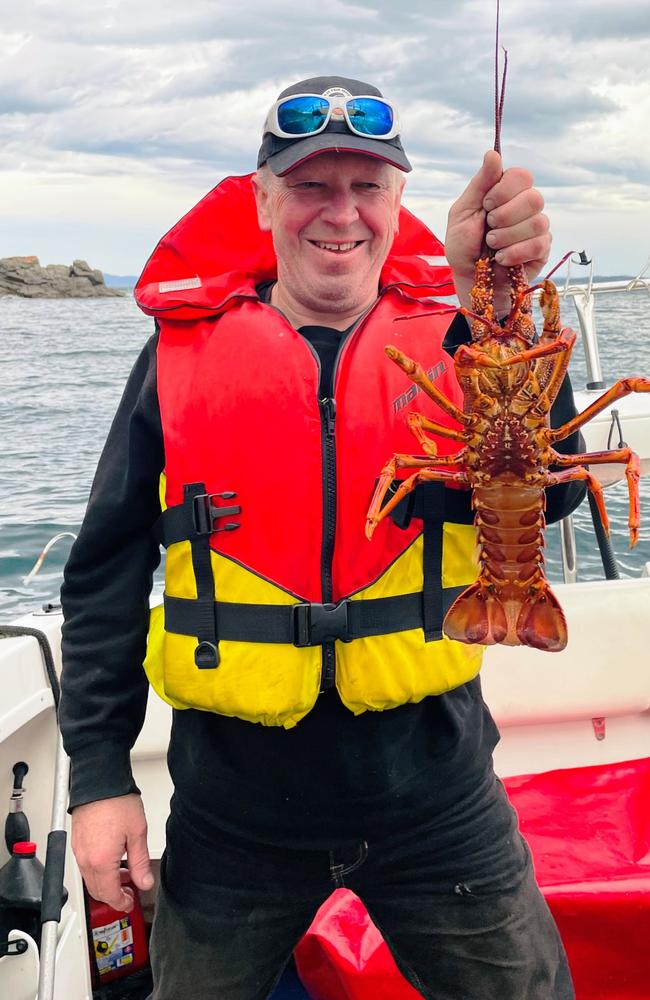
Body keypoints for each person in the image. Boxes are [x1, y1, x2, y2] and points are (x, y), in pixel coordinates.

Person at [60, 76, 584, 999]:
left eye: (367, 187)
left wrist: (496, 294)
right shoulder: (178, 359)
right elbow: (103, 577)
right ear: (262, 198)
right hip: (233, 813)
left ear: (398, 203)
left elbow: (550, 495)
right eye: (310, 185)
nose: (340, 214)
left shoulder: (462, 331)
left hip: (440, 797)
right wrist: (101, 778)